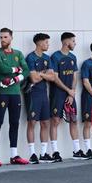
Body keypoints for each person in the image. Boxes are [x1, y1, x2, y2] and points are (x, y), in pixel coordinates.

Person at [0, 28, 30, 166]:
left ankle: (14, 155)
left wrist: (16, 79)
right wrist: (16, 69)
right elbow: (2, 68)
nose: (2, 40)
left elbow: (26, 70)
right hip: (1, 93)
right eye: (1, 37)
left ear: (11, 38)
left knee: (15, 123)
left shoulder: (18, 53)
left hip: (15, 93)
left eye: (5, 37)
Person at [50, 32, 85, 161]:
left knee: (73, 120)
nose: (75, 43)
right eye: (73, 41)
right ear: (66, 42)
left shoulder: (73, 57)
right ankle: (55, 152)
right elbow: (55, 77)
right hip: (58, 93)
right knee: (55, 121)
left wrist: (72, 91)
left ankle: (77, 150)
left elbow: (74, 76)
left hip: (70, 94)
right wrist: (67, 90)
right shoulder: (55, 57)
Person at [25, 33, 56, 163]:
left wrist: (41, 74)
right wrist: (44, 74)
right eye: (46, 42)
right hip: (33, 93)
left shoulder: (47, 58)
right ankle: (32, 154)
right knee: (32, 122)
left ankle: (43, 153)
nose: (48, 45)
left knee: (45, 122)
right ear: (39, 43)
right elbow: (33, 78)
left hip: (44, 94)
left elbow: (53, 77)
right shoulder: (30, 58)